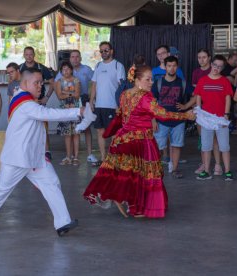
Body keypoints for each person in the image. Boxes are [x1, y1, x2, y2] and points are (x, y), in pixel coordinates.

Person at [0, 68, 82, 236]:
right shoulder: (26, 104)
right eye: (36, 83)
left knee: (52, 183)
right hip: (18, 158)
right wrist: (78, 111)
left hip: (34, 157)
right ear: (25, 83)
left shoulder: (23, 97)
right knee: (2, 189)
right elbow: (48, 114)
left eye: (41, 82)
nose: (40, 86)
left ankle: (63, 223)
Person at [83, 64, 194, 218]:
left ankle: (125, 200)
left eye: (151, 79)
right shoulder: (146, 97)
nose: (151, 83)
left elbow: (120, 116)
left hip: (122, 140)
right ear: (137, 80)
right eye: (147, 79)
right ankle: (137, 206)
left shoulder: (124, 94)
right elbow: (163, 115)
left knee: (127, 174)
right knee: (142, 175)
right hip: (140, 141)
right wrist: (185, 116)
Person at [194, 55, 234, 181]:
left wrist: (226, 115)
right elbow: (198, 96)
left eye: (220, 66)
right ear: (211, 64)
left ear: (222, 68)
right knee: (206, 146)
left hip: (221, 118)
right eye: (215, 65)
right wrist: (199, 111)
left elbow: (228, 98)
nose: (217, 68)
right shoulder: (202, 80)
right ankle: (206, 171)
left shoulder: (224, 81)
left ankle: (227, 171)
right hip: (206, 119)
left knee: (224, 146)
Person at [55, 50, 98, 164]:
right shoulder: (62, 72)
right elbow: (56, 85)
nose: (75, 59)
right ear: (70, 58)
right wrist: (63, 97)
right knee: (69, 130)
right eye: (73, 57)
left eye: (77, 57)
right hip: (67, 104)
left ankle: (89, 154)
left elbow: (95, 83)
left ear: (80, 58)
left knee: (87, 127)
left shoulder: (87, 69)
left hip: (84, 100)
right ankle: (69, 156)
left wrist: (92, 99)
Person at [90, 41, 126, 165]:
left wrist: (119, 105)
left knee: (113, 134)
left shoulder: (118, 66)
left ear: (111, 51)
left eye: (106, 50)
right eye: (101, 51)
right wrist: (91, 101)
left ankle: (114, 158)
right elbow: (94, 84)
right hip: (99, 105)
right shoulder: (98, 66)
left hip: (112, 106)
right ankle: (103, 158)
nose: (103, 53)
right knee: (100, 132)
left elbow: (122, 87)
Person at [151, 56, 187, 178]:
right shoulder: (158, 82)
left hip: (178, 121)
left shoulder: (182, 82)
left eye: (174, 66)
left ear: (177, 67)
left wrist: (186, 105)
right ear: (165, 67)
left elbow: (196, 94)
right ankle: (155, 169)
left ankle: (175, 169)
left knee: (176, 145)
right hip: (161, 121)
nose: (172, 68)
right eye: (169, 66)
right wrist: (153, 119)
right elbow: (151, 102)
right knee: (158, 147)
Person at [19, 46, 54, 160]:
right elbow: (15, 83)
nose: (29, 56)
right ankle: (28, 151)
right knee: (27, 128)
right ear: (24, 55)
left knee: (43, 127)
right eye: (27, 54)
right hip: (26, 102)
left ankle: (47, 151)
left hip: (39, 102)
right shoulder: (20, 68)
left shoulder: (41, 67)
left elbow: (53, 83)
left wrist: (46, 98)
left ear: (34, 55)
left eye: (31, 54)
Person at [55, 61, 81, 165]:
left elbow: (78, 95)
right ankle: (68, 156)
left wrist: (65, 92)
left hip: (75, 110)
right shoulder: (58, 82)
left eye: (67, 69)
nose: (65, 71)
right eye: (63, 69)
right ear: (61, 71)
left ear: (71, 70)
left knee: (76, 134)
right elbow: (59, 96)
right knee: (67, 134)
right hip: (64, 111)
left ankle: (76, 157)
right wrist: (71, 93)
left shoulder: (76, 80)